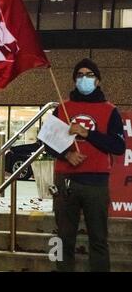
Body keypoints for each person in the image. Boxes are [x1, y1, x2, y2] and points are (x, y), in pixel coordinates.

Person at [46, 58, 126, 272]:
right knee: (64, 239)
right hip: (66, 182)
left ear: (98, 81)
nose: (84, 79)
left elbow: (118, 146)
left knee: (99, 239)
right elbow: (46, 142)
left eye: (90, 75)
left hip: (96, 184)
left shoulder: (110, 111)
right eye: (80, 75)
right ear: (74, 80)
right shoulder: (63, 108)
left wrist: (86, 133)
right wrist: (66, 154)